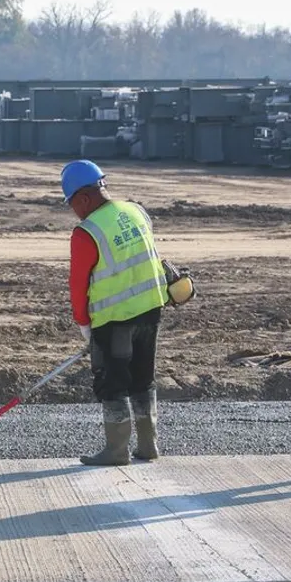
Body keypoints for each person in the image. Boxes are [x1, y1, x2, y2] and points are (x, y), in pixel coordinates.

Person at [62, 160, 168, 466]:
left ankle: (116, 450)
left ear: (83, 198)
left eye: (72, 204)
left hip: (115, 319)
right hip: (151, 309)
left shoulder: (87, 232)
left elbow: (78, 283)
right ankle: (148, 446)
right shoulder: (137, 211)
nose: (74, 210)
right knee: (142, 378)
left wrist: (84, 323)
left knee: (113, 382)